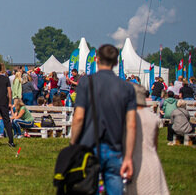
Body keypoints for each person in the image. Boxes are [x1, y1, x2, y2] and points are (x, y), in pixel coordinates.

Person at [69, 44, 136, 195]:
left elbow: (78, 117)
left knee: (87, 187)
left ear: (96, 59)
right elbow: (131, 125)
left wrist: (73, 144)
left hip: (89, 145)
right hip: (115, 147)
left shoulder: (86, 82)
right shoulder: (127, 87)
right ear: (116, 62)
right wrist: (129, 157)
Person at [127, 83, 169, 195]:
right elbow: (155, 144)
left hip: (135, 159)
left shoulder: (129, 116)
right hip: (153, 160)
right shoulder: (153, 117)